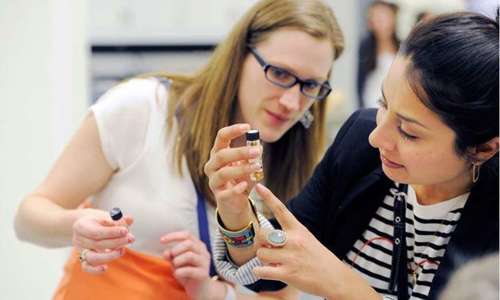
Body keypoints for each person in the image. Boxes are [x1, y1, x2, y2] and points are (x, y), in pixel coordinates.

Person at [13, 0, 344, 299]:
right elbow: (28, 218)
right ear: (240, 55)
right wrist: (75, 225)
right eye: (280, 73)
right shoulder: (144, 108)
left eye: (311, 85)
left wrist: (209, 291)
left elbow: (279, 296)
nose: (291, 102)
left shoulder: (298, 165)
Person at [206, 11, 499, 300]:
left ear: (483, 148)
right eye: (383, 103)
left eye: (409, 132)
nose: (377, 137)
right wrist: (236, 215)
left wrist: (345, 287)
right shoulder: (359, 144)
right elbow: (268, 271)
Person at [357, 0, 400, 108]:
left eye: (385, 17)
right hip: (371, 101)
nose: (381, 22)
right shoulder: (366, 46)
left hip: (394, 103)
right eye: (376, 18)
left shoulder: (401, 45)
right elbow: (360, 79)